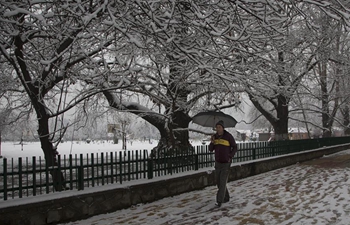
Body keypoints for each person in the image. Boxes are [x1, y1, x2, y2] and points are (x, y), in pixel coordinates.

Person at [209, 120, 237, 207]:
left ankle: (219, 201)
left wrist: (230, 156)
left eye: (219, 127)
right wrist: (212, 142)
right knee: (219, 182)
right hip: (218, 163)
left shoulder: (228, 136)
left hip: (226, 163)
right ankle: (226, 197)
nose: (218, 129)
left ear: (223, 128)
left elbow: (235, 147)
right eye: (217, 127)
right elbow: (210, 149)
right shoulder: (215, 137)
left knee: (223, 181)